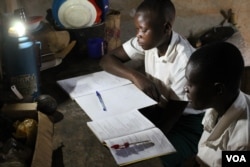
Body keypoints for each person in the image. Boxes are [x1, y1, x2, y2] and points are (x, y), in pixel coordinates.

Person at [100, 0, 204, 166]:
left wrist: (133, 146)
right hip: (161, 109)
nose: (138, 35)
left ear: (166, 28)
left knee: (155, 159)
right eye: (137, 29)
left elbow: (169, 120)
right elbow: (107, 60)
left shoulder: (184, 62)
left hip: (187, 122)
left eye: (143, 29)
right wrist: (136, 76)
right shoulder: (149, 41)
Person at [184, 41, 250, 166]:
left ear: (218, 89)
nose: (185, 88)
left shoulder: (243, 142)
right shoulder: (217, 105)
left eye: (191, 84)